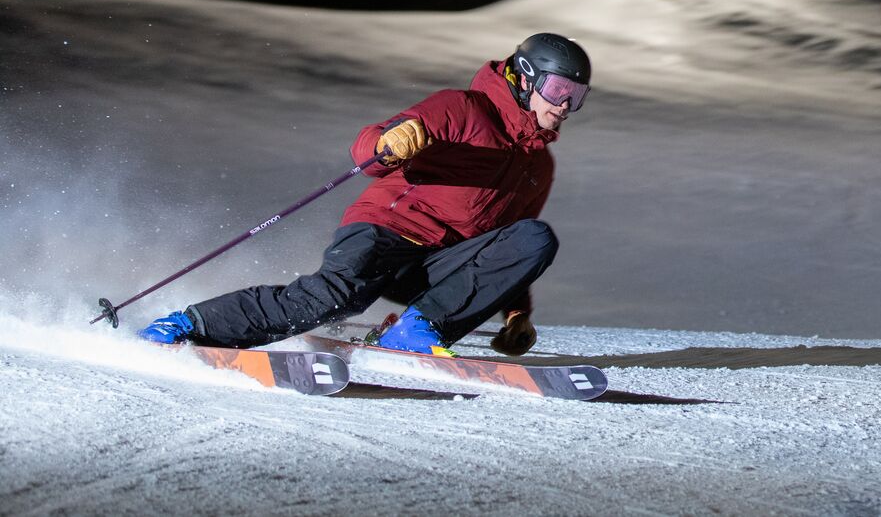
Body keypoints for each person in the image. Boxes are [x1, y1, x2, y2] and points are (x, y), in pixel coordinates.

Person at [136, 33, 592, 357]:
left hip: (435, 268)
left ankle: (415, 330)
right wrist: (388, 143)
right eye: (558, 90)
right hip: (387, 231)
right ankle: (187, 324)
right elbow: (369, 154)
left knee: (535, 237)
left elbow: (506, 246)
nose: (564, 106)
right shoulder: (464, 109)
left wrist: (515, 312)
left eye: (577, 96)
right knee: (334, 297)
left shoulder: (538, 166)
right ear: (525, 78)